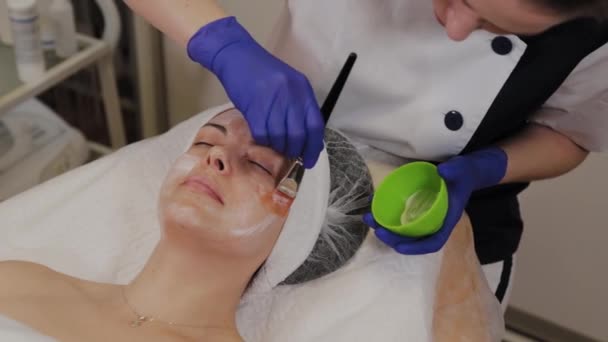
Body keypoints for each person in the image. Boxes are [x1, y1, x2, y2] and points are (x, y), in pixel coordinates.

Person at [122, 0, 608, 307]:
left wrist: (485, 169)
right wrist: (221, 43)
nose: (457, 27)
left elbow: (570, 133)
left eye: (493, 24)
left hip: (429, 224)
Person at [0, 110, 298, 341]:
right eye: (204, 142)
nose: (215, 155)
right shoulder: (18, 280)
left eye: (259, 163)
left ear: (298, 231)